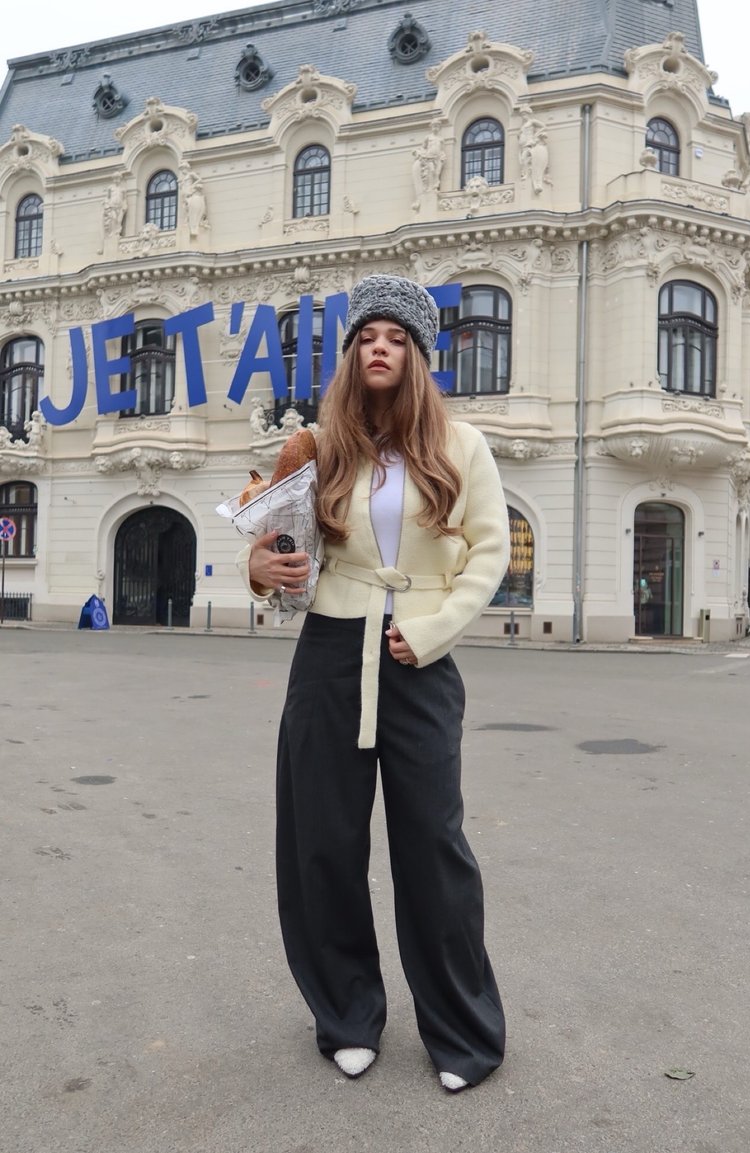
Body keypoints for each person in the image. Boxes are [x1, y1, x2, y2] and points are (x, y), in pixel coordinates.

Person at [238, 275, 510, 1091]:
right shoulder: (323, 447)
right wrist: (258, 568)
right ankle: (346, 1013)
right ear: (352, 356)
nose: (379, 346)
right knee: (322, 841)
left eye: (395, 337)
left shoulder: (462, 447)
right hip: (327, 650)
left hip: (416, 659)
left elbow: (488, 554)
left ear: (420, 357)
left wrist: (428, 632)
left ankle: (463, 1032)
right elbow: (282, 552)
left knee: (434, 847)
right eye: (366, 337)